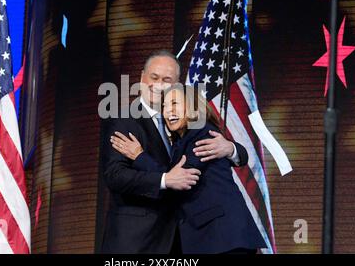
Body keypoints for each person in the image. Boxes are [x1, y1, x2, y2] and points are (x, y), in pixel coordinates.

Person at [100, 50, 249, 253]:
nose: (159, 84)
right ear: (142, 78)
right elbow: (115, 175)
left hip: (183, 240)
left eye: (167, 79)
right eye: (154, 77)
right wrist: (164, 180)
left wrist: (230, 148)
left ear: (178, 84)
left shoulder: (186, 125)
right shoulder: (123, 119)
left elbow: (188, 172)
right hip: (137, 240)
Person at [113, 84, 266, 253]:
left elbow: (182, 177)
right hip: (213, 239)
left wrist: (139, 156)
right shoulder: (182, 141)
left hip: (224, 237)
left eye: (174, 104)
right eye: (164, 106)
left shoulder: (202, 132)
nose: (167, 111)